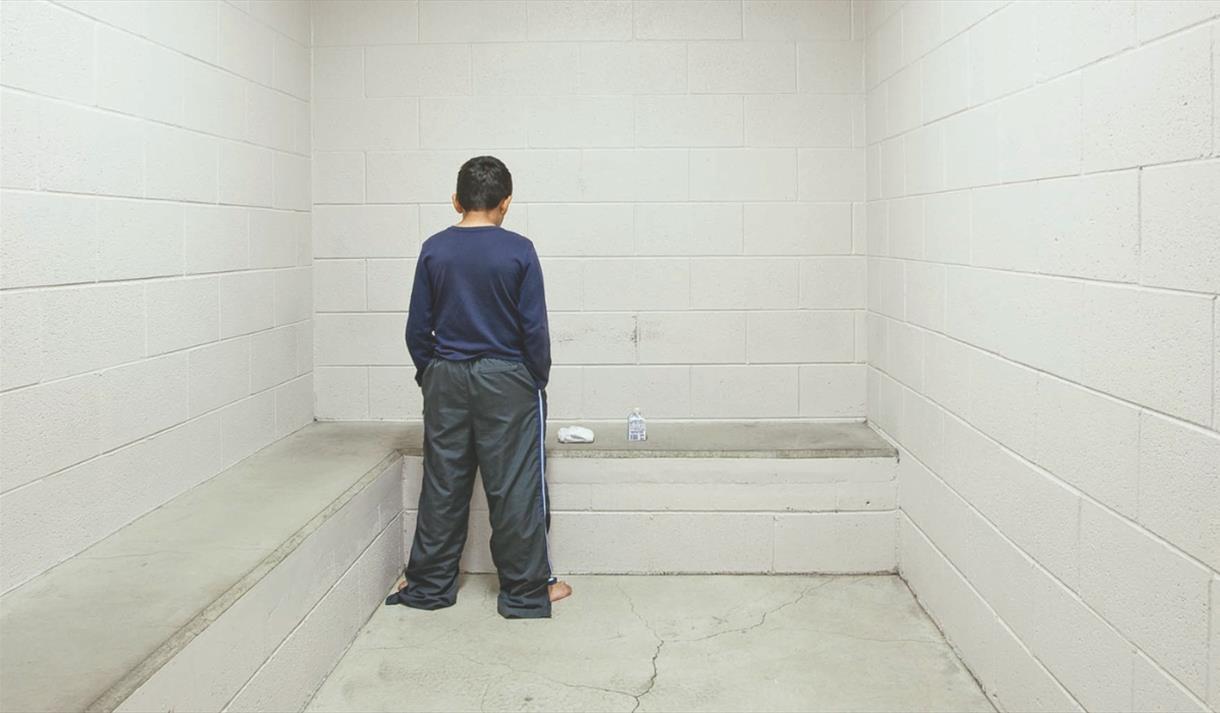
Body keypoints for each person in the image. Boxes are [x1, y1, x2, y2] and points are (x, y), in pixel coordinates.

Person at [385, 156, 572, 619]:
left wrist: (432, 374)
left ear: (455, 200)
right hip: (506, 378)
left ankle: (428, 586)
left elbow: (416, 329)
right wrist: (534, 379)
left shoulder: (434, 249)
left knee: (444, 484)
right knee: (515, 487)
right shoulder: (520, 250)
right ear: (506, 203)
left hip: (446, 376)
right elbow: (535, 330)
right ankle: (527, 592)